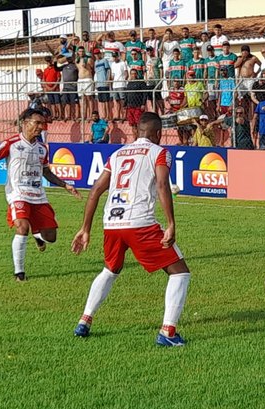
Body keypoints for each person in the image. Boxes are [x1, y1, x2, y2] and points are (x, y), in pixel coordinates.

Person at [71, 112, 190, 347]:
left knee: (110, 269)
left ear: (137, 131)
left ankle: (84, 321)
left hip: (111, 223)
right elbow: (162, 184)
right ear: (158, 134)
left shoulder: (117, 154)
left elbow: (95, 190)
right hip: (140, 223)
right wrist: (171, 224)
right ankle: (168, 333)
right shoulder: (160, 152)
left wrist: (85, 228)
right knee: (180, 273)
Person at [0, 108, 81, 281]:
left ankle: (37, 236)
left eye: (43, 124)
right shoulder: (11, 143)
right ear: (25, 123)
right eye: (38, 123)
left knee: (51, 237)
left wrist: (66, 185)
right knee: (22, 227)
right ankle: (19, 273)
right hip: (17, 193)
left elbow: (46, 172)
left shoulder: (42, 148)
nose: (41, 127)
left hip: (38, 195)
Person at [125, 69, 147, 140]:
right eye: (131, 74)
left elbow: (145, 94)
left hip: (138, 106)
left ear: (137, 74)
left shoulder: (141, 82)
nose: (133, 75)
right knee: (132, 124)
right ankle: (135, 139)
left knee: (138, 124)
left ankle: (140, 138)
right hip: (130, 106)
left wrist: (143, 104)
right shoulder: (129, 83)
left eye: (134, 74)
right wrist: (125, 104)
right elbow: (126, 94)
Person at [77, 46, 96, 120]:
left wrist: (87, 65)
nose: (81, 52)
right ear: (78, 52)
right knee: (82, 98)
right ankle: (83, 115)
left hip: (87, 78)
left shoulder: (88, 59)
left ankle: (91, 115)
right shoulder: (77, 60)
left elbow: (92, 66)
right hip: (80, 80)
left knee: (89, 98)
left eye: (82, 51)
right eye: (80, 51)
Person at [42, 56, 62, 121]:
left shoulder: (56, 69)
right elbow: (44, 80)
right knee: (52, 103)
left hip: (55, 89)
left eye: (49, 61)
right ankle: (54, 115)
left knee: (57, 102)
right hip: (49, 89)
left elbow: (59, 78)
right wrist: (47, 87)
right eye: (47, 61)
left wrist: (54, 87)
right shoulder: (45, 70)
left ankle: (60, 115)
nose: (48, 62)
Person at [93, 49, 112, 120]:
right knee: (102, 101)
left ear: (100, 53)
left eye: (98, 53)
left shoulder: (104, 60)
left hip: (104, 83)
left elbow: (108, 70)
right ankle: (104, 115)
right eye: (95, 54)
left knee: (106, 100)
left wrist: (108, 80)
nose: (97, 55)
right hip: (99, 84)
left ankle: (108, 115)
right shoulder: (95, 62)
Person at [60, 55, 80, 121]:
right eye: (68, 58)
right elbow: (56, 68)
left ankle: (74, 116)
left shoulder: (76, 66)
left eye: (70, 58)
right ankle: (67, 116)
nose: (69, 60)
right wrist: (55, 61)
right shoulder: (64, 66)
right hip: (65, 87)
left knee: (74, 103)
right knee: (66, 102)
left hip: (73, 87)